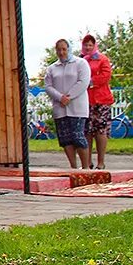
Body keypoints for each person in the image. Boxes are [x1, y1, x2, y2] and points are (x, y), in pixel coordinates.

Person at [43, 39, 92, 169]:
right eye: (59, 50)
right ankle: (73, 167)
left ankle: (86, 167)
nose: (61, 52)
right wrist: (60, 97)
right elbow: (48, 86)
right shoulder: (52, 68)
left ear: (69, 49)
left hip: (77, 106)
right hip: (60, 107)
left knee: (77, 136)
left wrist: (69, 96)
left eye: (64, 49)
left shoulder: (80, 63)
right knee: (65, 138)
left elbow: (83, 82)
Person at [81, 34, 114, 170]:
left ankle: (101, 162)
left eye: (90, 45)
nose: (88, 47)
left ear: (94, 46)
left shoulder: (102, 59)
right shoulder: (80, 60)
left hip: (101, 100)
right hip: (85, 100)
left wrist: (91, 81)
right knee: (87, 131)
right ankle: (87, 162)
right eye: (85, 45)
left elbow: (106, 75)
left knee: (100, 130)